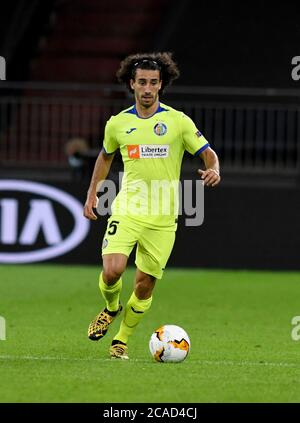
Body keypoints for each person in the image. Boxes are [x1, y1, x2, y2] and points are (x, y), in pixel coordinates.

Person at [83, 52, 221, 360]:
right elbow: (105, 157)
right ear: (132, 84)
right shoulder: (118, 123)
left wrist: (215, 169)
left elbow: (208, 153)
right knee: (112, 271)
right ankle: (111, 308)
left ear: (161, 86)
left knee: (144, 287)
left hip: (162, 219)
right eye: (142, 82)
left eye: (153, 83)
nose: (147, 88)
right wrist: (93, 193)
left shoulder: (177, 122)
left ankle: (121, 339)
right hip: (128, 209)